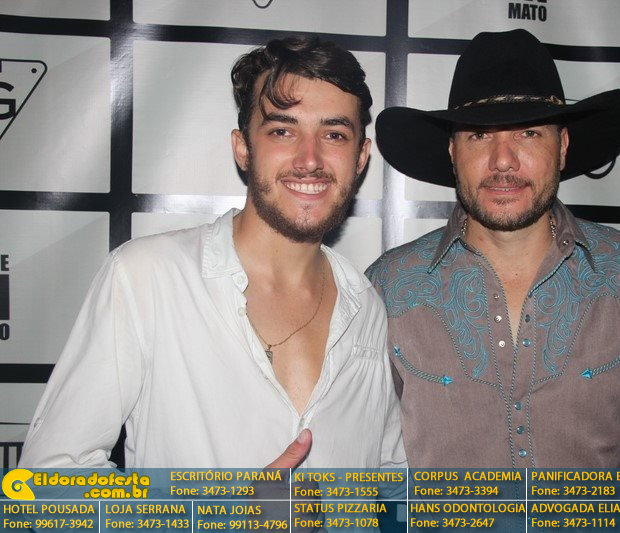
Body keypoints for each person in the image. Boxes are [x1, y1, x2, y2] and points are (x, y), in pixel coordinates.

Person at [20, 35, 405, 470]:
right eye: (282, 130)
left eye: (334, 134)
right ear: (243, 148)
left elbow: (391, 479)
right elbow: (48, 476)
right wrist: (217, 505)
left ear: (360, 157)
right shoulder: (147, 278)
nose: (310, 158)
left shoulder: (367, 307)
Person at [367, 29, 620, 469]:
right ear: (452, 151)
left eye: (528, 133)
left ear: (562, 147)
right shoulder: (388, 288)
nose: (503, 160)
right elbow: (367, 460)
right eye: (479, 136)